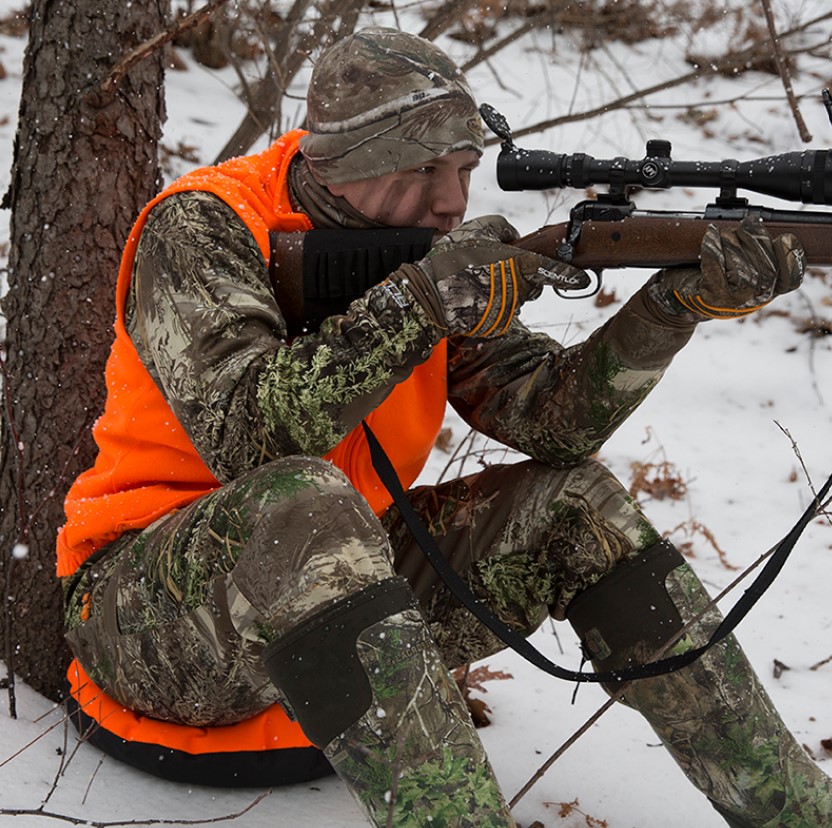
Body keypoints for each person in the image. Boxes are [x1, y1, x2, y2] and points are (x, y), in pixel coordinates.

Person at [57, 26, 831, 828]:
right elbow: (248, 435)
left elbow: (549, 421)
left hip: (338, 624)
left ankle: (795, 814)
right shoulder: (205, 227)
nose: (453, 201)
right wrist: (422, 304)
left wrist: (670, 310)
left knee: (576, 503)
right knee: (302, 499)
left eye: (462, 169)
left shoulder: (428, 255)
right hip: (150, 628)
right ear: (344, 161)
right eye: (424, 170)